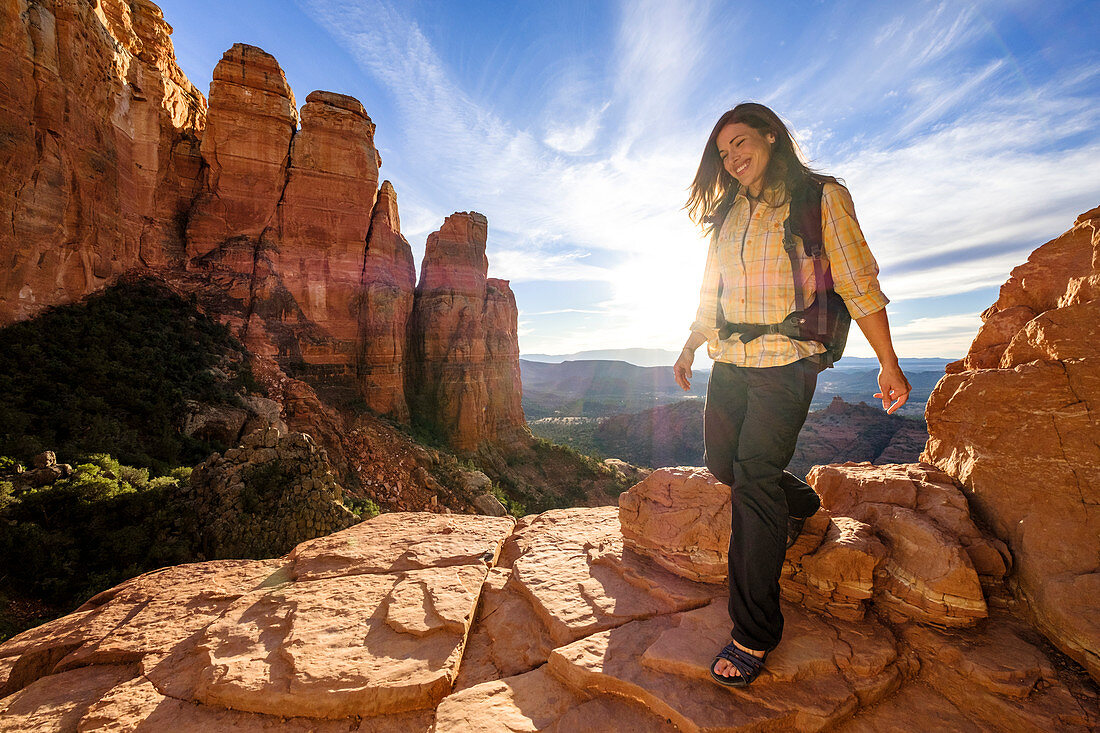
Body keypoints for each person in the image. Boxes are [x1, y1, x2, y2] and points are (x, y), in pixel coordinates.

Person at [673, 102, 911, 687]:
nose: (732, 159)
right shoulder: (729, 213)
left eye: (740, 143)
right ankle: (801, 505)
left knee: (754, 475)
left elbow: (857, 281)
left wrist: (889, 362)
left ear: (772, 138)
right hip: (730, 360)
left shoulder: (820, 197)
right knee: (723, 464)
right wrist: (689, 345)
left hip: (787, 363)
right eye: (723, 152)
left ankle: (753, 633)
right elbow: (711, 292)